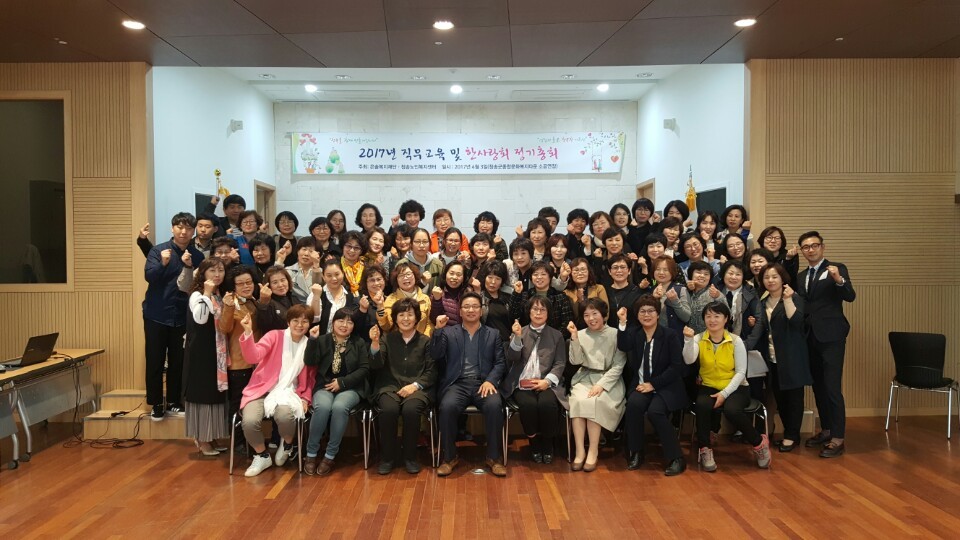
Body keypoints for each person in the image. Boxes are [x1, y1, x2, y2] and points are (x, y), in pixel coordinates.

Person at [682, 302, 771, 472]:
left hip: (736, 387)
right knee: (702, 405)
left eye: (717, 316)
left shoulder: (736, 341)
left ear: (726, 319)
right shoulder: (698, 338)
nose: (712, 320)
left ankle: (759, 443)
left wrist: (724, 393)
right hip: (709, 385)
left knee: (732, 410)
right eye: (708, 316)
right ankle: (705, 449)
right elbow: (689, 359)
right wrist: (687, 340)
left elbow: (741, 372)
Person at [432, 293, 508, 477]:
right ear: (460, 311)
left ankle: (494, 458)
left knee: (494, 406)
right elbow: (435, 355)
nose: (471, 310)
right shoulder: (449, 332)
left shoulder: (493, 334)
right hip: (457, 383)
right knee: (447, 407)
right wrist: (438, 331)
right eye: (466, 306)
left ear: (481, 311)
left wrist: (490, 380)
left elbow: (500, 363)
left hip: (484, 383)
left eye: (475, 306)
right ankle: (449, 458)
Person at [237, 305, 316, 477]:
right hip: (261, 390)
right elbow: (253, 357)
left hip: (290, 392)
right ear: (288, 322)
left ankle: (287, 444)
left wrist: (305, 398)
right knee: (249, 421)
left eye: (304, 321)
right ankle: (262, 455)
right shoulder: (274, 336)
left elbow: (311, 378)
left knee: (285, 417)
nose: (300, 325)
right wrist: (248, 332)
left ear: (310, 324)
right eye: (295, 320)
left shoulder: (310, 345)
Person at [797, 231, 855, 458]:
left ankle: (838, 438)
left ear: (823, 247)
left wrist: (839, 280)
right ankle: (827, 430)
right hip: (809, 337)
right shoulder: (802, 276)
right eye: (806, 247)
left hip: (831, 336)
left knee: (832, 387)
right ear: (802, 251)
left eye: (814, 245)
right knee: (818, 386)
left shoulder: (836, 268)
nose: (810, 250)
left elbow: (850, 296)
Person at [143, 212, 205, 420]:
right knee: (155, 359)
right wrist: (163, 263)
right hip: (156, 313)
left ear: (193, 231)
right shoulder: (158, 250)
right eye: (180, 227)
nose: (183, 231)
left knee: (178, 361)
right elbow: (149, 276)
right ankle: (156, 403)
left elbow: (196, 285)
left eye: (188, 228)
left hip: (182, 315)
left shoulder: (196, 256)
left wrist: (189, 266)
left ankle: (173, 401)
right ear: (172, 228)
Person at [618, 295, 687, 475]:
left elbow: (676, 367)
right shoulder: (635, 333)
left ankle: (676, 457)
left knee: (656, 412)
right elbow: (623, 345)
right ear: (637, 315)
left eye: (651, 311)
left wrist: (653, 384)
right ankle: (636, 452)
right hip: (642, 385)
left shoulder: (670, 335)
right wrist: (623, 322)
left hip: (666, 386)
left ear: (658, 314)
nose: (646, 315)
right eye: (642, 311)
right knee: (633, 406)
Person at [300, 307, 369, 475]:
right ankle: (311, 454)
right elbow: (310, 361)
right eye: (341, 320)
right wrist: (312, 340)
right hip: (324, 386)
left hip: (351, 387)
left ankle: (330, 455)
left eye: (349, 322)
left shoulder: (358, 342)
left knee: (339, 407)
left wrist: (342, 382)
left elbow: (364, 368)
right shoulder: (323, 340)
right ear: (333, 322)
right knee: (322, 407)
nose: (344, 325)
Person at [370, 299, 435, 475]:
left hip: (417, 389)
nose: (406, 319)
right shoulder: (386, 339)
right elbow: (376, 365)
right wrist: (375, 343)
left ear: (417, 318)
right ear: (395, 318)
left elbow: (432, 371)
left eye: (410, 314)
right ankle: (387, 458)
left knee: (411, 410)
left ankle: (410, 457)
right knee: (388, 409)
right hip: (389, 386)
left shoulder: (425, 341)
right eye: (401, 315)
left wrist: (415, 385)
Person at [502, 297, 569, 464]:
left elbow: (560, 363)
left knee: (548, 404)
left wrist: (547, 381)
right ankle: (534, 443)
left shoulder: (556, 335)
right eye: (535, 309)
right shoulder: (520, 331)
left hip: (547, 383)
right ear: (529, 312)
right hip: (522, 382)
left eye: (542, 309)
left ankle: (547, 443)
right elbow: (512, 358)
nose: (538, 313)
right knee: (528, 405)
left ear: (548, 313)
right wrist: (517, 338)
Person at [758, 263, 812, 452]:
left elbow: (797, 322)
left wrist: (788, 300)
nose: (770, 280)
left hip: (792, 356)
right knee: (780, 398)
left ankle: (792, 435)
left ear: (783, 279)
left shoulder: (793, 297)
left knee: (794, 398)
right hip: (772, 357)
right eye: (766, 277)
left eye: (774, 276)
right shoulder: (763, 301)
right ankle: (789, 432)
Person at [567, 299, 625, 472]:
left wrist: (602, 385)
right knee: (578, 401)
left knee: (595, 402)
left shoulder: (615, 334)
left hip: (609, 380)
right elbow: (575, 361)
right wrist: (574, 338)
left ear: (604, 315)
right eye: (586, 315)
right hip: (584, 377)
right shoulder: (581, 334)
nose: (591, 318)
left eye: (595, 314)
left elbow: (618, 365)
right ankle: (580, 451)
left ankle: (593, 451)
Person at [183, 257, 229, 456]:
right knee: (202, 394)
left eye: (221, 270)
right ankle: (201, 439)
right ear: (203, 274)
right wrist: (207, 293)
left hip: (217, 351)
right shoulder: (197, 294)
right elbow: (201, 319)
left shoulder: (221, 294)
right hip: (201, 351)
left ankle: (211, 436)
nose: (217, 275)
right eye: (212, 271)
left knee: (215, 394)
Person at [219, 265, 261, 446]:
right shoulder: (231, 303)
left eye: (249, 282)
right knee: (237, 406)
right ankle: (238, 443)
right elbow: (224, 328)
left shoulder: (253, 301)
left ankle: (249, 442)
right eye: (241, 283)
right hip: (239, 365)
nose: (246, 286)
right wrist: (228, 307)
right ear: (233, 286)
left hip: (256, 363)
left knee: (251, 406)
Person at [509, 261, 575, 339]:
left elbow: (567, 322)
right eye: (535, 274)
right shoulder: (525, 296)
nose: (539, 277)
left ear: (550, 277)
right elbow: (514, 315)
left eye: (543, 274)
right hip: (528, 338)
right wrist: (516, 293)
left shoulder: (560, 297)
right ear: (531, 278)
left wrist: (554, 338)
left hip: (554, 340)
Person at [377, 262, 434, 337]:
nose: (405, 278)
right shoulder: (391, 299)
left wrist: (424, 340)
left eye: (408, 274)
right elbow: (386, 327)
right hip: (398, 341)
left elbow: (429, 323)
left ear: (415, 276)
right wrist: (380, 307)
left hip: (421, 341)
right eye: (401, 275)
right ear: (396, 280)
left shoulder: (425, 298)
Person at [564, 257, 609, 329]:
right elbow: (571, 317)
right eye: (576, 270)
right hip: (576, 330)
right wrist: (579, 301)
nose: (580, 273)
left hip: (598, 329)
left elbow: (606, 314)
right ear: (570, 274)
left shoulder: (599, 288)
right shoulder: (566, 293)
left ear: (589, 272)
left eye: (583, 270)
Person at [477, 259, 513, 342]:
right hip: (486, 343)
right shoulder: (479, 297)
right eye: (490, 277)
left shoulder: (507, 298)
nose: (493, 282)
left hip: (506, 343)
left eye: (498, 279)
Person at [603, 255, 643, 329]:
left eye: (623, 267)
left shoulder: (637, 292)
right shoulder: (604, 291)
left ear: (629, 271)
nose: (619, 270)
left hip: (631, 333)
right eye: (615, 267)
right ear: (609, 271)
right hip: (609, 333)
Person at [256, 266, 297, 333]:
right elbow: (263, 325)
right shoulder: (266, 303)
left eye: (283, 280)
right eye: (275, 282)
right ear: (268, 285)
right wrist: (263, 304)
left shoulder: (294, 297)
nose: (280, 285)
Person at [405, 228, 444, 293]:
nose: (421, 245)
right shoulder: (403, 264)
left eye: (425, 242)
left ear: (430, 244)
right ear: (411, 244)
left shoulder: (438, 264)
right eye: (417, 242)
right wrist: (423, 282)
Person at [430, 260, 468, 326]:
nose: (454, 277)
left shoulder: (468, 294)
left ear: (463, 278)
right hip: (445, 331)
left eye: (458, 274)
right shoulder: (437, 293)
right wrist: (437, 300)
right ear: (445, 274)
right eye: (451, 273)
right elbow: (434, 320)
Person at [285, 237, 322, 304]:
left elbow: (318, 287)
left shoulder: (322, 272)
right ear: (298, 251)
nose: (306, 254)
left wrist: (316, 264)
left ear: (318, 255)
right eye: (304, 249)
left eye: (311, 251)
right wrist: (280, 259)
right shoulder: (288, 271)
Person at [339, 231, 367, 295]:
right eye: (349, 246)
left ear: (361, 251)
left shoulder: (367, 268)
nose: (352, 250)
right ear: (343, 247)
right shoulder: (336, 266)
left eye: (356, 248)